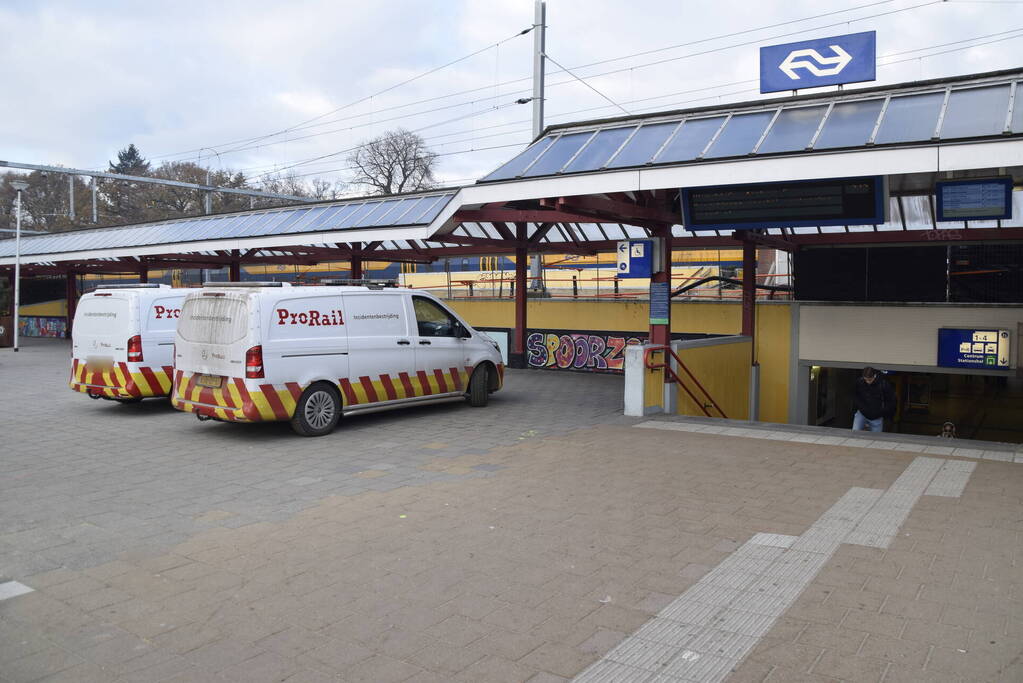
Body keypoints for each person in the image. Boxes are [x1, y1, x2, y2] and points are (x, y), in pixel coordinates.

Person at [852, 366, 896, 432]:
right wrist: (860, 407)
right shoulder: (860, 382)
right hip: (862, 414)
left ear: (874, 376)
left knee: (876, 438)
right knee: (854, 433)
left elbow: (891, 401)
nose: (867, 382)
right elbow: (855, 396)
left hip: (877, 416)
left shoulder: (883, 384)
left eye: (869, 380)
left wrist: (882, 412)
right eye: (865, 379)